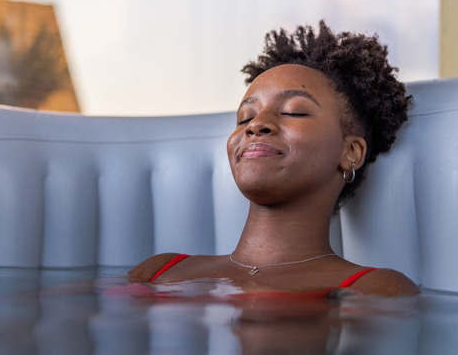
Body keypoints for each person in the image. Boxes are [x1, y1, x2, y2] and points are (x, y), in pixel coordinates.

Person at [129, 20, 419, 296]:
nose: (256, 125)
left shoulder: (374, 288)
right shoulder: (157, 272)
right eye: (245, 118)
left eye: (294, 111)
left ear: (350, 152)